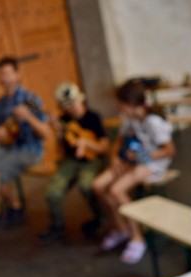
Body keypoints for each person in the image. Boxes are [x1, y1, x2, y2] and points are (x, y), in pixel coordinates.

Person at [92, 79, 175, 264]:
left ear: (130, 104)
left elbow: (169, 150)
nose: (118, 106)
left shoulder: (152, 121)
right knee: (98, 185)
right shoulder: (130, 119)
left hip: (153, 164)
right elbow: (120, 141)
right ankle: (121, 228)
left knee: (116, 190)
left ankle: (137, 238)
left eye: (120, 103)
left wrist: (143, 156)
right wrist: (115, 158)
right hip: (137, 159)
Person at [0, 56, 51, 237]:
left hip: (30, 149)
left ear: (17, 75)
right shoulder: (0, 104)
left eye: (6, 73)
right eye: (0, 74)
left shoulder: (31, 99)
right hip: (9, 148)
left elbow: (45, 133)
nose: (3, 78)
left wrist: (28, 117)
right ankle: (14, 207)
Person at [38, 82, 109, 244]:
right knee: (52, 192)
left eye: (74, 103)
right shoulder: (64, 120)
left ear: (81, 100)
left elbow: (104, 147)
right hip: (70, 161)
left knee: (87, 186)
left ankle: (100, 218)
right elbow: (61, 150)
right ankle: (57, 226)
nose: (72, 108)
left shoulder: (93, 117)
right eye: (67, 106)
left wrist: (86, 143)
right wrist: (58, 132)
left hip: (91, 161)